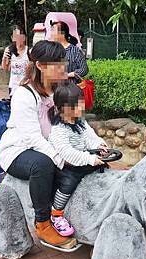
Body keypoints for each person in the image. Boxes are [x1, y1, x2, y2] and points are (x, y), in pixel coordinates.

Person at [0, 40, 78, 252]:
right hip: (19, 150)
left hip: (47, 145)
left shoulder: (59, 90)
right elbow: (33, 138)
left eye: (63, 63)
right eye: (57, 64)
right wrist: (61, 158)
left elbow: (77, 121)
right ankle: (42, 224)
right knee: (44, 164)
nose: (63, 69)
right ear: (41, 65)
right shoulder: (24, 94)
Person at [48, 82, 106, 236]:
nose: (80, 109)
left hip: (85, 159)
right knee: (68, 183)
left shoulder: (80, 121)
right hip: (69, 166)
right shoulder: (58, 130)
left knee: (104, 171)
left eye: (81, 104)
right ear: (62, 108)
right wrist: (90, 159)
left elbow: (90, 137)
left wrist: (99, 145)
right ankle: (56, 214)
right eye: (75, 106)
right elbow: (67, 153)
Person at [1, 26, 29, 95]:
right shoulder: (10, 50)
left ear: (24, 37)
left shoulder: (29, 51)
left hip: (26, 87)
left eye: (20, 35)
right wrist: (4, 58)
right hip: (13, 87)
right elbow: (5, 68)